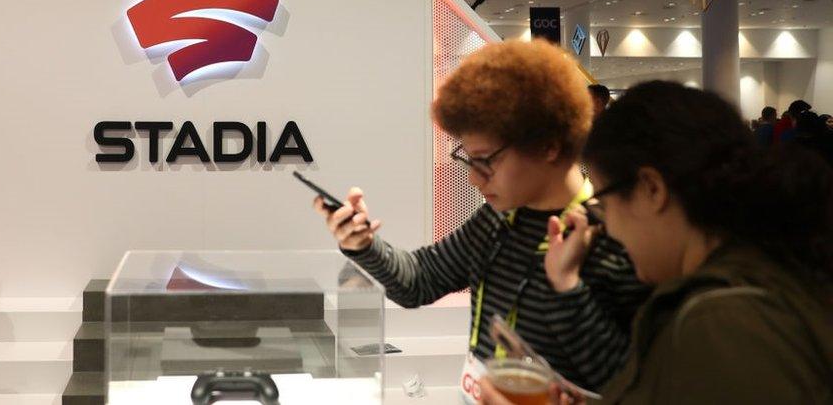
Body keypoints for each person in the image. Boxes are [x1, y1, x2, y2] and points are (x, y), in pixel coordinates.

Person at [314, 40, 650, 398]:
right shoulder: (495, 220)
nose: (474, 178)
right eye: (468, 159)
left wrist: (567, 289)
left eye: (486, 159)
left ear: (548, 146)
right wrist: (363, 245)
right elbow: (419, 281)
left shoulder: (615, 236)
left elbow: (628, 380)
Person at [480, 81, 833, 404]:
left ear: (651, 189)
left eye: (604, 205)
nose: (609, 229)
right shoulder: (766, 275)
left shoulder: (723, 324)